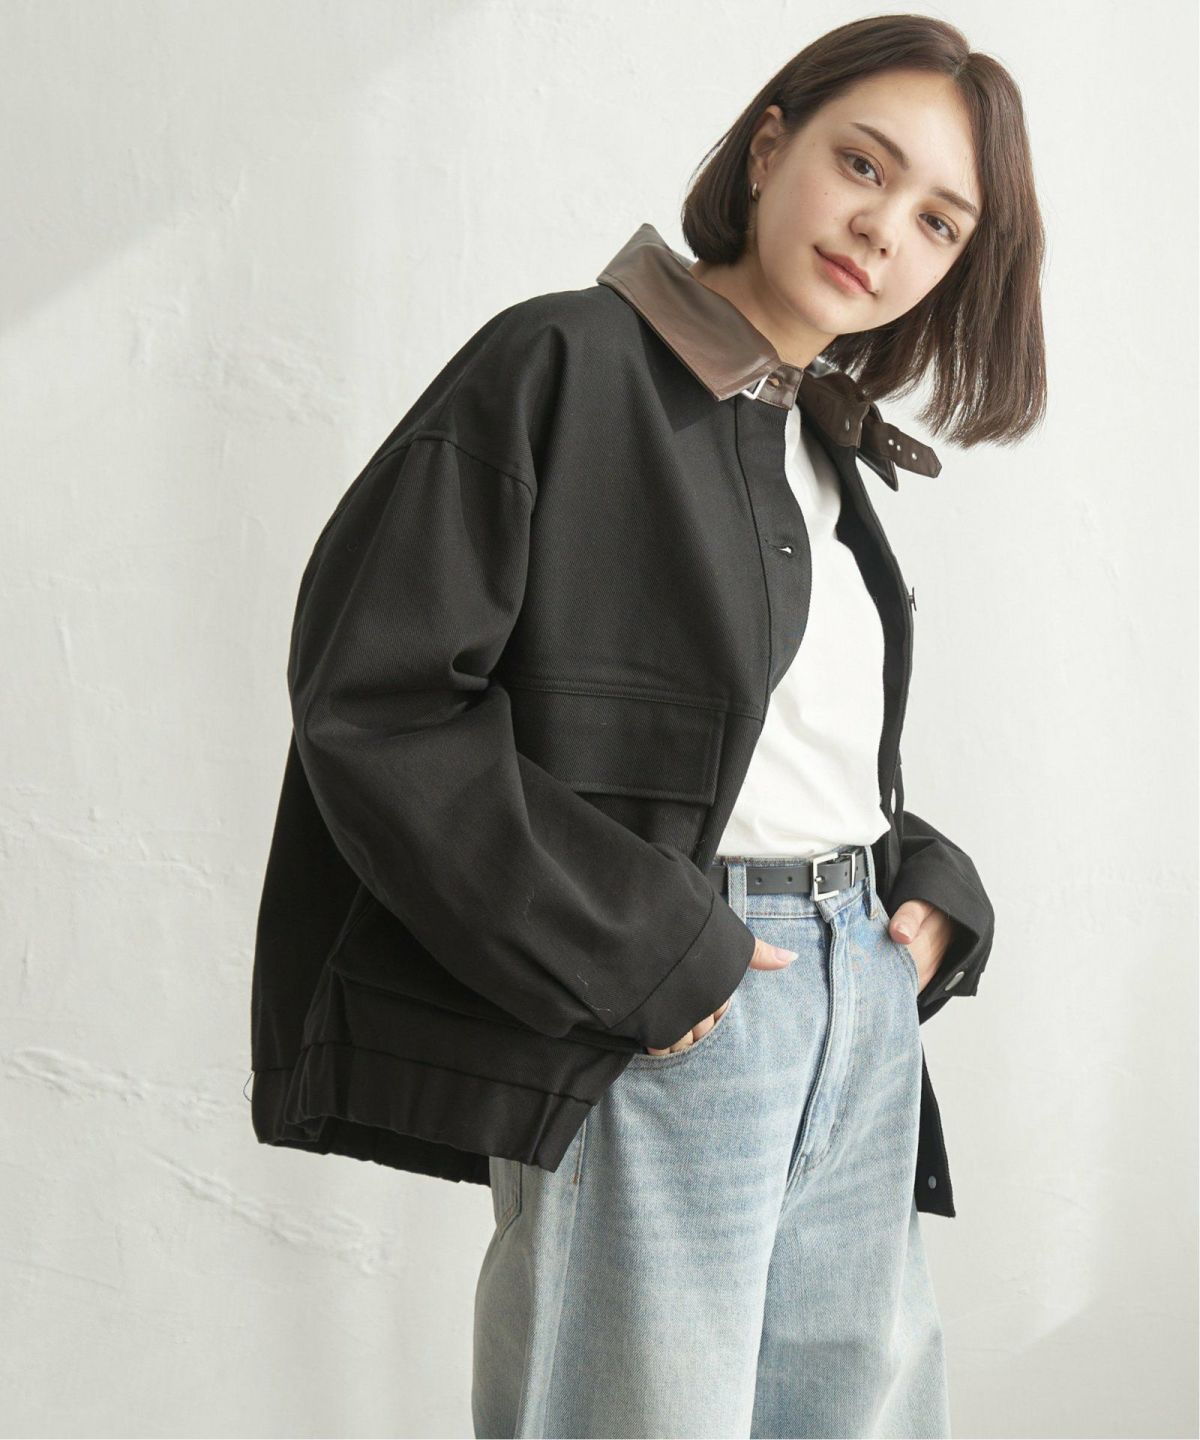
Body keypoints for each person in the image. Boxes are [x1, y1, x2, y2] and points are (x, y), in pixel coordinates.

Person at [249, 14, 1045, 1439]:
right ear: (769, 147)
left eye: (940, 221)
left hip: (858, 1013)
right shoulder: (562, 361)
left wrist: (920, 890)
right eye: (865, 165)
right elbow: (379, 701)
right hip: (666, 1014)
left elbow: (773, 751)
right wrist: (643, 953)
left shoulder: (817, 441)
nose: (885, 230)